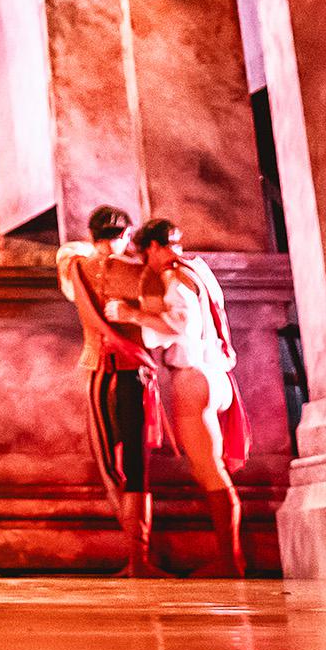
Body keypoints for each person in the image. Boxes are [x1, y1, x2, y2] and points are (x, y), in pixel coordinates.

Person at [103, 218, 249, 577]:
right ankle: (231, 559)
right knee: (213, 469)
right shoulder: (196, 271)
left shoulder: (172, 278)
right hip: (218, 377)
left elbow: (178, 326)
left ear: (149, 247)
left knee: (210, 472)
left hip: (193, 377)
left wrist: (131, 313)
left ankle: (231, 561)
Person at [57, 204, 167, 577]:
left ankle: (134, 555)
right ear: (127, 235)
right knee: (136, 466)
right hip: (133, 373)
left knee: (110, 467)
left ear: (92, 236)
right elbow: (163, 319)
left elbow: (69, 263)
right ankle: (140, 559)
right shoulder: (139, 273)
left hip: (98, 375)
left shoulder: (75, 266)